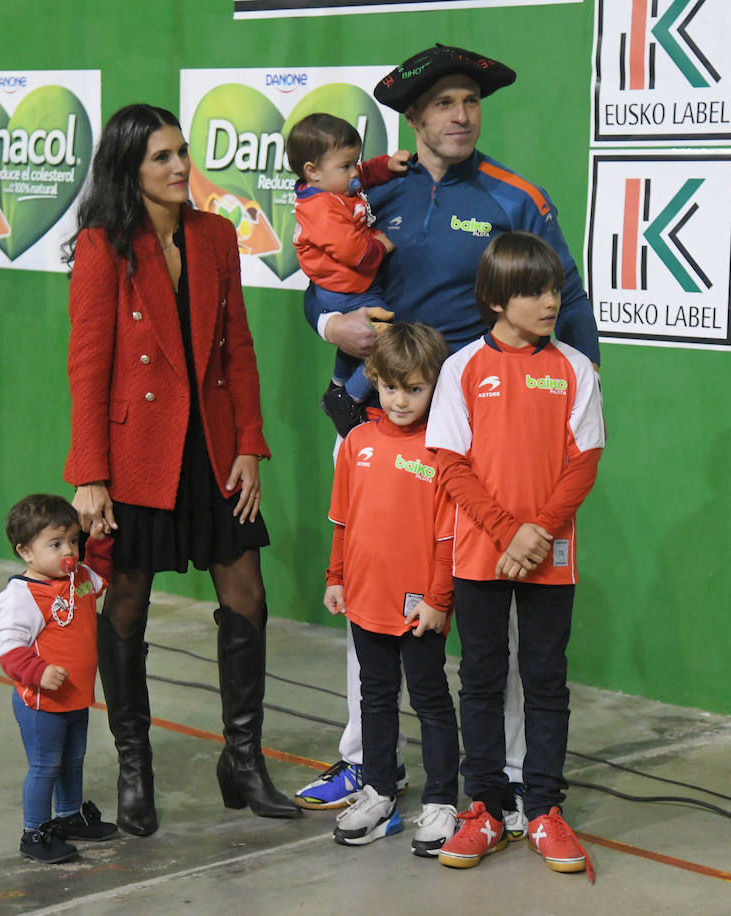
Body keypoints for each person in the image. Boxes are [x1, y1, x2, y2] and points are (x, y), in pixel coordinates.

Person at [295, 44, 602, 829]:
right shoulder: (368, 190)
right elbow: (320, 283)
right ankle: (369, 764)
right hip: (373, 425)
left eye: (470, 101)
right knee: (370, 596)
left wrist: (573, 415)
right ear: (413, 118)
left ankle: (492, 781)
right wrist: (333, 322)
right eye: (443, 104)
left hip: (475, 448)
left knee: (486, 612)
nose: (460, 115)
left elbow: (566, 310)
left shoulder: (515, 198)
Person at [64, 103, 300, 837]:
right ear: (128, 168)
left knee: (247, 596)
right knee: (127, 602)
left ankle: (243, 760)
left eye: (182, 153)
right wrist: (90, 474)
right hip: (138, 455)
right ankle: (136, 768)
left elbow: (239, 346)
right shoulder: (104, 247)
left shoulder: (215, 236)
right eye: (162, 157)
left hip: (214, 447)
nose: (178, 167)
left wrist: (249, 444)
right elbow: (88, 365)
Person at [426, 232, 603, 880]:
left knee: (546, 679)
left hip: (548, 557)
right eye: (534, 291)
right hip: (483, 554)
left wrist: (538, 534)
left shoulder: (576, 371)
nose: (551, 301)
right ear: (497, 300)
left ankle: (545, 809)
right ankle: (487, 809)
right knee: (481, 678)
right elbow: (450, 462)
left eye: (554, 288)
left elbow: (583, 462)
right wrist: (509, 533)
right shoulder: (462, 368)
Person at [323, 323, 460, 855]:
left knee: (430, 700)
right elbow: (342, 519)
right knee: (374, 697)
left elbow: (448, 538)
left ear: (435, 387)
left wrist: (437, 599)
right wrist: (336, 578)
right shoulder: (357, 442)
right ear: (374, 380)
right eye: (391, 387)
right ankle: (379, 792)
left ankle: (442, 799)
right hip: (364, 600)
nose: (401, 400)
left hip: (418, 608)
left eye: (416, 389)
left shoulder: (441, 449)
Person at [0, 494, 118, 864]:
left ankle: (68, 816)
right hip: (41, 703)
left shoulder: (77, 579)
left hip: (76, 697)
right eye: (56, 544)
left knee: (73, 760)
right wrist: (38, 672)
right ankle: (34, 831)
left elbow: (101, 577)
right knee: (45, 766)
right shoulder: (22, 596)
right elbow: (9, 648)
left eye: (74, 541)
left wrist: (100, 539)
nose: (71, 552)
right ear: (26, 552)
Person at [285, 113, 409, 437]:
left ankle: (338, 385)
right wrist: (382, 244)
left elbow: (362, 175)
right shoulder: (322, 209)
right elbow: (357, 254)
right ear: (312, 171)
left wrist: (386, 165)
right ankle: (349, 395)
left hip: (350, 286)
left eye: (356, 161)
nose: (355, 171)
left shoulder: (334, 183)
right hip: (344, 290)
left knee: (365, 335)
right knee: (385, 336)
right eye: (346, 166)